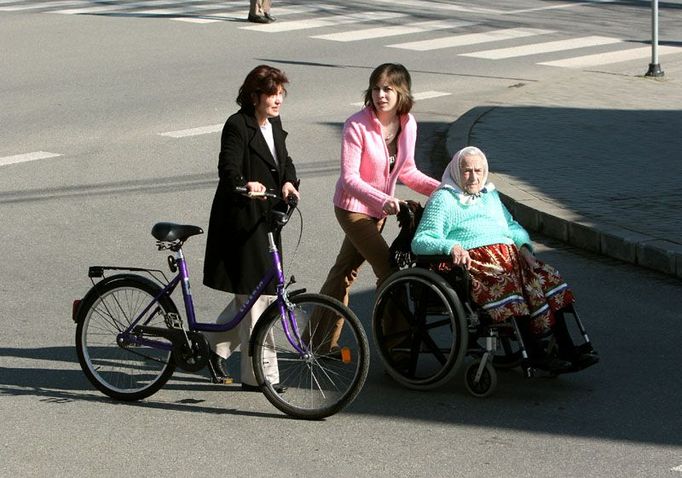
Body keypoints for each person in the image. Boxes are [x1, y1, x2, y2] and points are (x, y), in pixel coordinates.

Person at [412, 146, 599, 372]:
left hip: (510, 259)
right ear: (455, 171)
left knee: (548, 279)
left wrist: (525, 248)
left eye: (478, 171)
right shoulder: (443, 199)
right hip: (476, 264)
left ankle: (566, 347)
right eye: (467, 171)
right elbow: (421, 240)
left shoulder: (490, 195)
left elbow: (511, 226)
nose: (474, 177)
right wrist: (450, 246)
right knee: (509, 286)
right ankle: (536, 353)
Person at [313, 63, 440, 352]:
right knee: (389, 270)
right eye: (376, 88)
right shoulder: (357, 124)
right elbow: (349, 178)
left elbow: (408, 171)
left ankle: (316, 343)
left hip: (380, 213)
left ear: (401, 92)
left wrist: (443, 188)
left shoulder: (408, 124)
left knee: (343, 272)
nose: (381, 95)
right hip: (353, 209)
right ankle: (398, 346)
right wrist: (382, 200)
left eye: (388, 89)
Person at [203, 65, 299, 391]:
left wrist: (288, 181)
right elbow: (227, 169)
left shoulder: (274, 123)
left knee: (259, 293)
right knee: (260, 299)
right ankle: (262, 376)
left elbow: (283, 160)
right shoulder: (237, 125)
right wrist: (246, 184)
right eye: (272, 94)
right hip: (242, 223)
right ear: (255, 96)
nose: (278, 100)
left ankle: (214, 342)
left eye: (281, 94)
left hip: (267, 219)